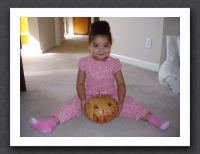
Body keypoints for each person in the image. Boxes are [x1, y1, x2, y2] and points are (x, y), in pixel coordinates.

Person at [29, 20, 171, 134]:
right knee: (72, 105)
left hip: (111, 95)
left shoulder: (114, 63)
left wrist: (120, 100)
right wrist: (83, 99)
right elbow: (79, 83)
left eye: (105, 45)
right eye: (96, 45)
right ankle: (50, 122)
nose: (101, 50)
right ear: (89, 45)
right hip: (89, 95)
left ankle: (153, 119)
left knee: (130, 104)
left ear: (110, 45)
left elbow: (121, 84)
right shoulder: (84, 62)